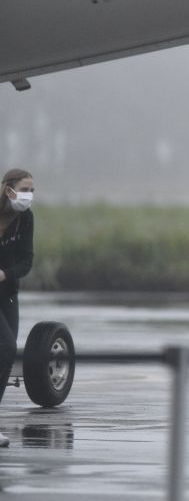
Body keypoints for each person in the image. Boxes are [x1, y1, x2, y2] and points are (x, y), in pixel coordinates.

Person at [0, 169, 35, 448]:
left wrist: (6, 275)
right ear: (9, 190)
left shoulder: (26, 218)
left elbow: (27, 260)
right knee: (7, 347)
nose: (29, 196)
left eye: (32, 191)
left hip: (7, 292)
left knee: (5, 354)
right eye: (25, 189)